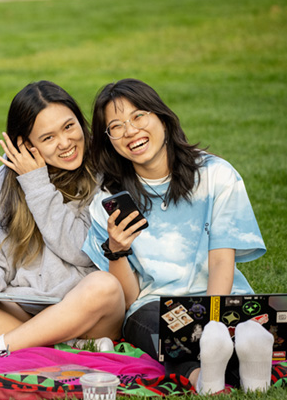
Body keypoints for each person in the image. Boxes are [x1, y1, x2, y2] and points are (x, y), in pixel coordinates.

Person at [82, 78, 271, 393]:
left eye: (139, 116)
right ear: (109, 140)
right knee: (151, 324)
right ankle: (234, 375)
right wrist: (116, 250)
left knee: (212, 336)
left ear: (162, 119)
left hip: (218, 295)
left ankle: (215, 371)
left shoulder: (217, 176)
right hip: (153, 306)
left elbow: (222, 261)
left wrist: (214, 322)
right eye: (116, 126)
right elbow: (128, 298)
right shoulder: (107, 201)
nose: (130, 130)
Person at [0, 81, 125, 359]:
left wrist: (37, 185)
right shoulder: (5, 179)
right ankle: (65, 348)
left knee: (105, 287)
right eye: (48, 138)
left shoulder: (104, 172)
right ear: (26, 145)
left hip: (85, 312)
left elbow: (81, 251)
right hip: (25, 306)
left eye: (69, 126)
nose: (66, 143)